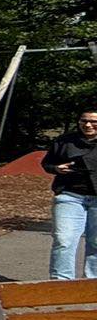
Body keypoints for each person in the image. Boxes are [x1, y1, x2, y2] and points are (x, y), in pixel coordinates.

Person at [42, 109, 97, 281]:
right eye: (84, 121)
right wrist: (56, 168)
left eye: (93, 122)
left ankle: (92, 282)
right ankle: (61, 283)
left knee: (96, 243)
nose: (88, 125)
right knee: (64, 240)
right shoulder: (65, 141)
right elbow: (47, 163)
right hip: (69, 196)